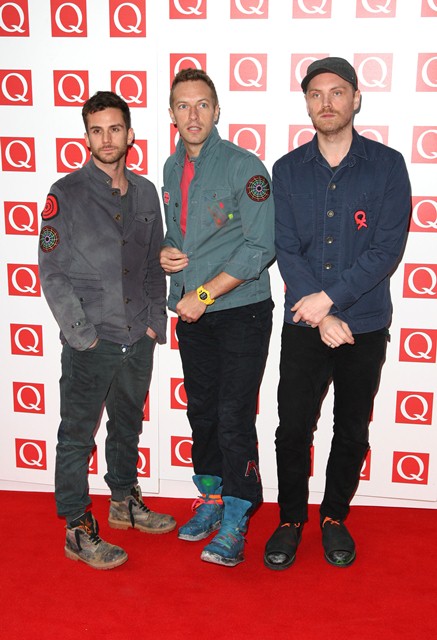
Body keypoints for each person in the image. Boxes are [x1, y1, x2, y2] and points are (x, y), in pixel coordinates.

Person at [264, 57, 411, 570]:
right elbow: (285, 248)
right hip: (306, 322)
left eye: (337, 92)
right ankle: (290, 519)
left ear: (356, 99)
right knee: (292, 428)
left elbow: (386, 250)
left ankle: (333, 517)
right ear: (306, 104)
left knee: (351, 428)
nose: (326, 103)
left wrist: (330, 300)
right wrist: (320, 313)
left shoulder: (387, 166)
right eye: (316, 94)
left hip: (364, 323)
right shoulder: (286, 170)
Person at [38, 91, 175, 570]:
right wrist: (83, 335)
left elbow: (154, 264)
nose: (106, 138)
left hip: (138, 337)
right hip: (90, 340)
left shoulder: (146, 193)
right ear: (86, 138)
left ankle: (123, 503)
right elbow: (51, 272)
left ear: (129, 134)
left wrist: (155, 323)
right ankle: (77, 528)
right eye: (96, 130)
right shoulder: (65, 193)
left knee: (127, 425)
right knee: (77, 435)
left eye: (115, 128)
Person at [160, 68, 275, 567]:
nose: (193, 114)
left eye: (202, 104)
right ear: (171, 113)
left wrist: (204, 293)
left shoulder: (244, 167)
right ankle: (210, 498)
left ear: (217, 110)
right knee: (202, 412)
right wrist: (167, 252)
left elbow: (260, 247)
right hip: (194, 315)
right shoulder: (171, 168)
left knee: (233, 415)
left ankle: (237, 514)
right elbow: (179, 234)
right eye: (183, 105)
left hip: (240, 311)